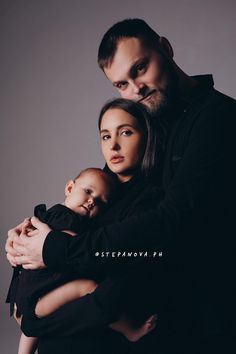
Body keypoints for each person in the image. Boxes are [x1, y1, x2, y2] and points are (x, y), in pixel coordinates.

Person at [6, 18, 235, 353]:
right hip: (135, 282)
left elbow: (172, 222)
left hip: (193, 304)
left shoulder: (217, 117)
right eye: (121, 84)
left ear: (165, 48)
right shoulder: (145, 120)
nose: (136, 89)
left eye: (141, 69)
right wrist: (27, 244)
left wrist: (56, 252)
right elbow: (94, 206)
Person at [8, 98, 162, 354]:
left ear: (147, 136)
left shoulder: (151, 201)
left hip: (90, 340)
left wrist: (35, 321)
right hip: (53, 332)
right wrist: (18, 248)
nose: (113, 145)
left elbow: (117, 275)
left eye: (126, 132)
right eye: (105, 136)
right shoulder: (96, 186)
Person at [7, 167, 115, 354]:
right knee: (89, 287)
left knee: (31, 330)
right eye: (88, 192)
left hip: (29, 295)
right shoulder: (66, 217)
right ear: (69, 188)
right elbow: (68, 244)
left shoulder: (50, 214)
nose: (91, 202)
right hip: (39, 296)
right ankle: (129, 329)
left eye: (99, 202)